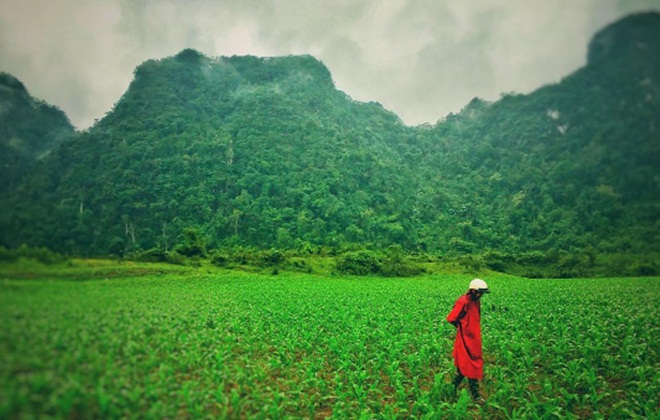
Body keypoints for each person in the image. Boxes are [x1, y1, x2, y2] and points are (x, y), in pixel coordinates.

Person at [446, 278, 490, 403]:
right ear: (473, 291)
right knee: (471, 365)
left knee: (464, 366)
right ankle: (476, 395)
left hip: (474, 339)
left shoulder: (476, 302)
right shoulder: (463, 301)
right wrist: (462, 329)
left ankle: (452, 388)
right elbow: (451, 318)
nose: (481, 295)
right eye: (479, 293)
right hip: (465, 339)